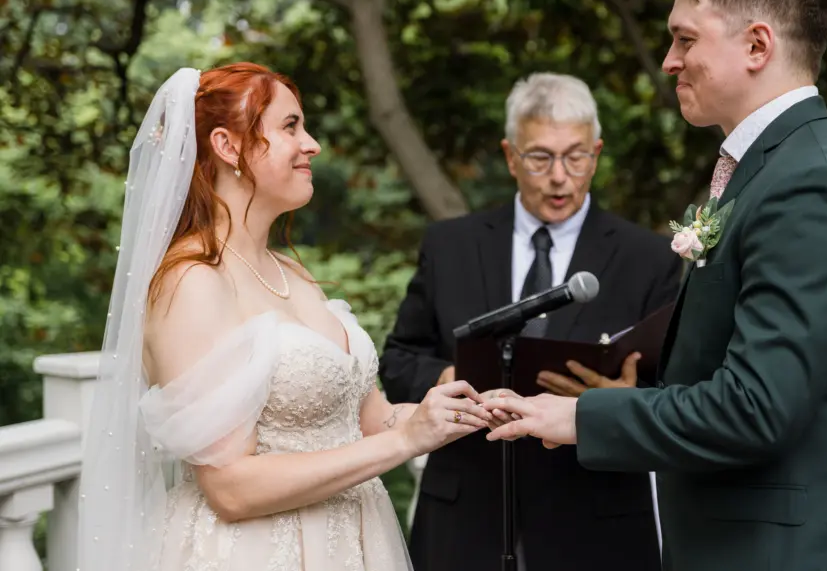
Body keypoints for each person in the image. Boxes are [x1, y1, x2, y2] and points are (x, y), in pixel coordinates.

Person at [485, 0, 827, 571]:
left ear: (758, 45)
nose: (668, 60)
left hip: (791, 551)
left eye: (685, 39)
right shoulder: (773, 168)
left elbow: (758, 407)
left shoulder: (813, 182)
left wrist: (582, 417)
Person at [77, 62, 512, 571]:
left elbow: (373, 420)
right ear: (228, 145)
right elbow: (230, 488)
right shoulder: (190, 282)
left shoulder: (291, 272)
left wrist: (455, 409)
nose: (312, 145)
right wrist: (404, 441)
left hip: (353, 543)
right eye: (290, 127)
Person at [379, 72, 682, 571]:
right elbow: (398, 359)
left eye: (576, 156)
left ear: (597, 153)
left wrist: (626, 395)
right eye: (540, 157)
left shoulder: (648, 258)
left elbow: (678, 388)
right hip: (465, 516)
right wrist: (446, 380)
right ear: (510, 156)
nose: (559, 175)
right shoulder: (451, 245)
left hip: (593, 519)